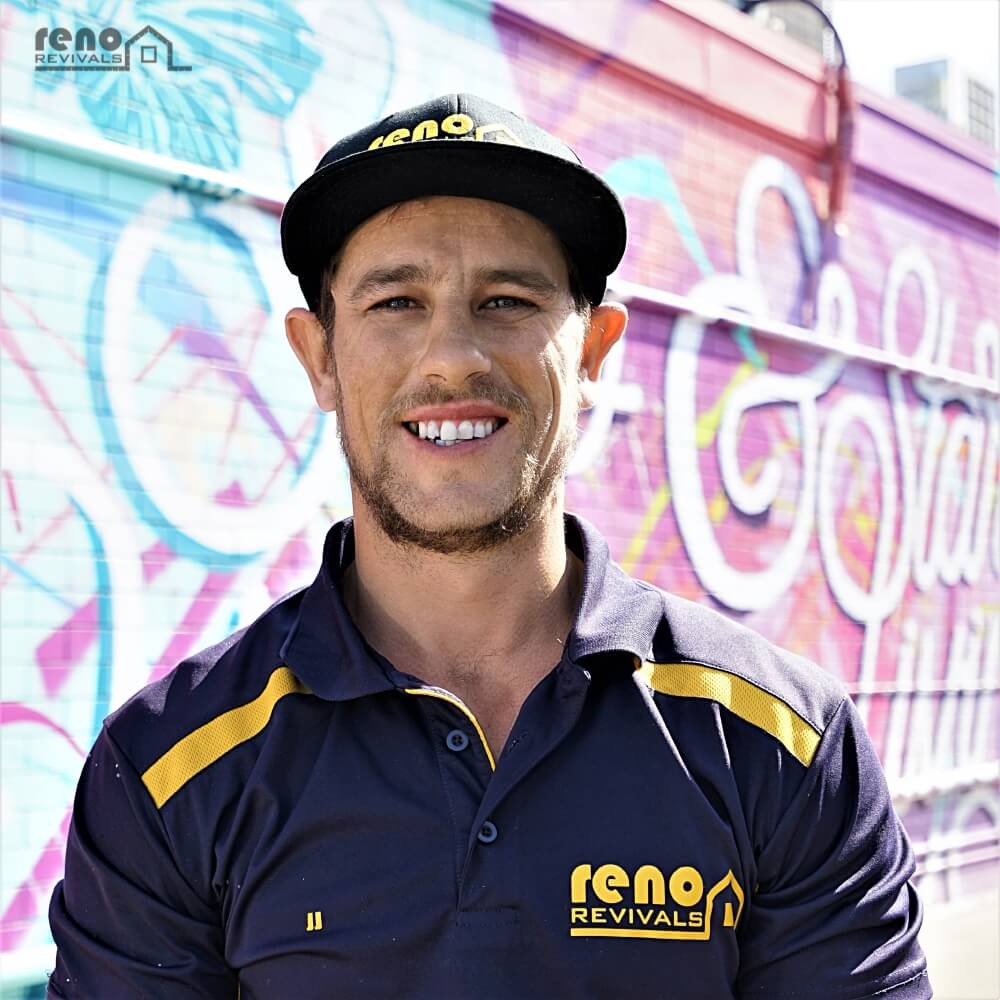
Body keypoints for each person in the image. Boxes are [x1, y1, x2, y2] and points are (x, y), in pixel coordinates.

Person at [48, 94, 931, 1000]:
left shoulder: (783, 743)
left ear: (592, 352)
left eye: (507, 300)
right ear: (319, 357)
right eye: (396, 301)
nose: (453, 356)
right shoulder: (166, 767)